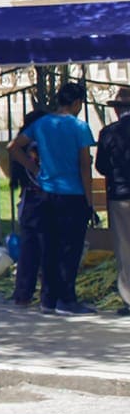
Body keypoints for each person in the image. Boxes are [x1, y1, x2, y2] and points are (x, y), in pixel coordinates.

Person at [10, 82, 97, 316]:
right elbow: (85, 166)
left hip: (47, 193)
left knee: (49, 247)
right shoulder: (79, 127)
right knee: (70, 248)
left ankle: (48, 299)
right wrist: (90, 202)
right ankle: (66, 298)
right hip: (73, 194)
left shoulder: (42, 123)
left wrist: (34, 169)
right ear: (77, 102)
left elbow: (14, 147)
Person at [95, 86, 130, 317]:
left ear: (117, 110)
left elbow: (101, 166)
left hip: (121, 195)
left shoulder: (108, 133)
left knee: (125, 248)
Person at [10, 110, 50, 308]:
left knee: (29, 250)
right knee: (43, 249)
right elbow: (40, 172)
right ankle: (46, 293)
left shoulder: (23, 145)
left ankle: (23, 293)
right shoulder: (35, 147)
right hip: (39, 200)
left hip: (29, 201)